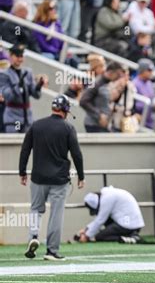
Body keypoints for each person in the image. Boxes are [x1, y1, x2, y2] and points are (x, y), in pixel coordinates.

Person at [20, 94, 85, 261]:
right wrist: (81, 176)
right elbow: (76, 154)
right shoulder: (68, 128)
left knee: (36, 209)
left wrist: (22, 172)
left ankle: (34, 235)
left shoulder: (36, 125)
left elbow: (25, 150)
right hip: (59, 179)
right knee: (56, 214)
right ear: (65, 111)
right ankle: (52, 251)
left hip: (38, 177)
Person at [0, 44, 48, 133]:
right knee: (13, 145)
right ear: (11, 56)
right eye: (17, 56)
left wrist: (39, 85)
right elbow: (7, 96)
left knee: (28, 146)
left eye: (21, 56)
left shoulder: (27, 72)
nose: (20, 59)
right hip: (12, 118)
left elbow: (36, 95)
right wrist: (19, 86)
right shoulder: (4, 74)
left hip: (27, 118)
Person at [77, 186, 145, 243]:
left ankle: (129, 238)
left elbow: (100, 220)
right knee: (104, 227)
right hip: (130, 222)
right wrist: (86, 230)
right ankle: (131, 235)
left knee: (100, 237)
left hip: (128, 224)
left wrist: (87, 236)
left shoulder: (107, 199)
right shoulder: (108, 194)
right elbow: (100, 220)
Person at [80, 61, 125, 132]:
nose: (119, 77)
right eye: (118, 74)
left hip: (101, 125)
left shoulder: (107, 83)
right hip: (93, 125)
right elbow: (83, 101)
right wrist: (99, 115)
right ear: (111, 72)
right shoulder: (97, 83)